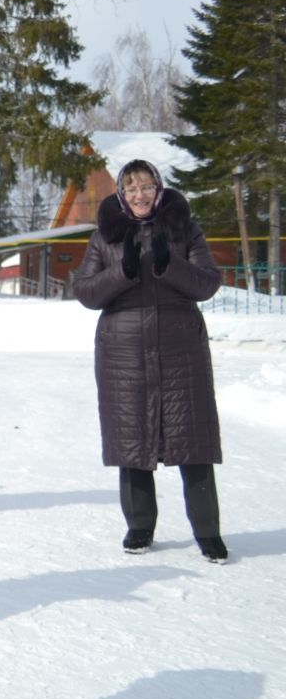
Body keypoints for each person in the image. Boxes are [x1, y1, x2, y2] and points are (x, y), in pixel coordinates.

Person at [71, 159, 228, 562]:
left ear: (158, 190)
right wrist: (122, 272)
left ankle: (208, 531)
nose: (139, 195)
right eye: (131, 189)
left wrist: (167, 264)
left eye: (146, 187)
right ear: (121, 195)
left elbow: (208, 283)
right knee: (133, 441)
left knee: (192, 440)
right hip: (124, 354)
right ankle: (139, 526)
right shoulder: (105, 237)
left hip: (181, 351)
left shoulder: (184, 229)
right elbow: (87, 292)